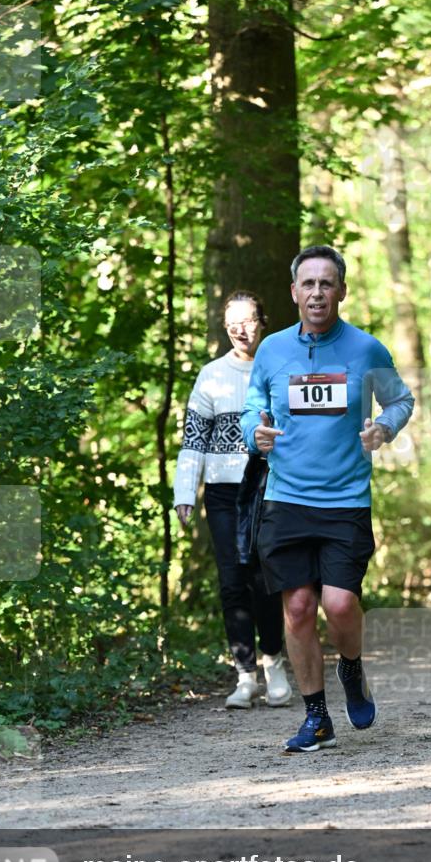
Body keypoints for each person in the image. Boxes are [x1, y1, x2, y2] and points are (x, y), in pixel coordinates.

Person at [240, 245, 414, 752]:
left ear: (342, 290)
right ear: (294, 292)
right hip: (286, 499)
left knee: (338, 604)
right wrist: (257, 432)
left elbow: (400, 400)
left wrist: (384, 426)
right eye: (308, 284)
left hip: (345, 500)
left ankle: (352, 672)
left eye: (327, 283)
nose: (317, 292)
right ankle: (316, 718)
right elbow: (253, 407)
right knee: (297, 608)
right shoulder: (272, 350)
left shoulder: (365, 350)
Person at [174, 291, 292, 709]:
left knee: (264, 577)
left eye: (248, 320)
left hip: (271, 486)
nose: (241, 329)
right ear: (226, 328)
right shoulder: (210, 376)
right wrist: (184, 493)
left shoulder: (281, 365)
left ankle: (274, 663)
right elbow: (193, 440)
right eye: (232, 323)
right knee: (232, 581)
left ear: (263, 320)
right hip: (223, 492)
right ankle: (245, 677)